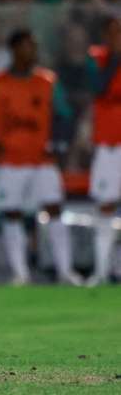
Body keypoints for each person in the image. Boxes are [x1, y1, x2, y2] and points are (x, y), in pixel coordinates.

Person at [0, 30, 82, 286]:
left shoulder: (47, 81)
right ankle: (20, 274)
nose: (33, 52)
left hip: (42, 159)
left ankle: (66, 272)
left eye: (34, 47)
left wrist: (59, 144)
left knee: (54, 209)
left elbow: (65, 115)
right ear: (14, 50)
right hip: (10, 160)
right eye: (27, 47)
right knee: (11, 213)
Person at [86, 18, 121, 286]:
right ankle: (101, 270)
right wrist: (116, 56)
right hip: (109, 147)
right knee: (105, 207)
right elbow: (98, 88)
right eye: (114, 33)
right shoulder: (96, 58)